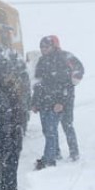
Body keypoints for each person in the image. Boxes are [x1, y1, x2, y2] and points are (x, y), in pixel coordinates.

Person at [32, 35, 78, 169]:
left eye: (46, 47)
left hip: (61, 101)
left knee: (66, 125)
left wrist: (61, 102)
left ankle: (71, 153)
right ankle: (55, 153)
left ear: (54, 46)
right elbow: (37, 83)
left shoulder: (62, 59)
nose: (43, 49)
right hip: (45, 101)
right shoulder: (41, 61)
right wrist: (34, 102)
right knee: (48, 130)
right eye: (41, 47)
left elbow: (65, 84)